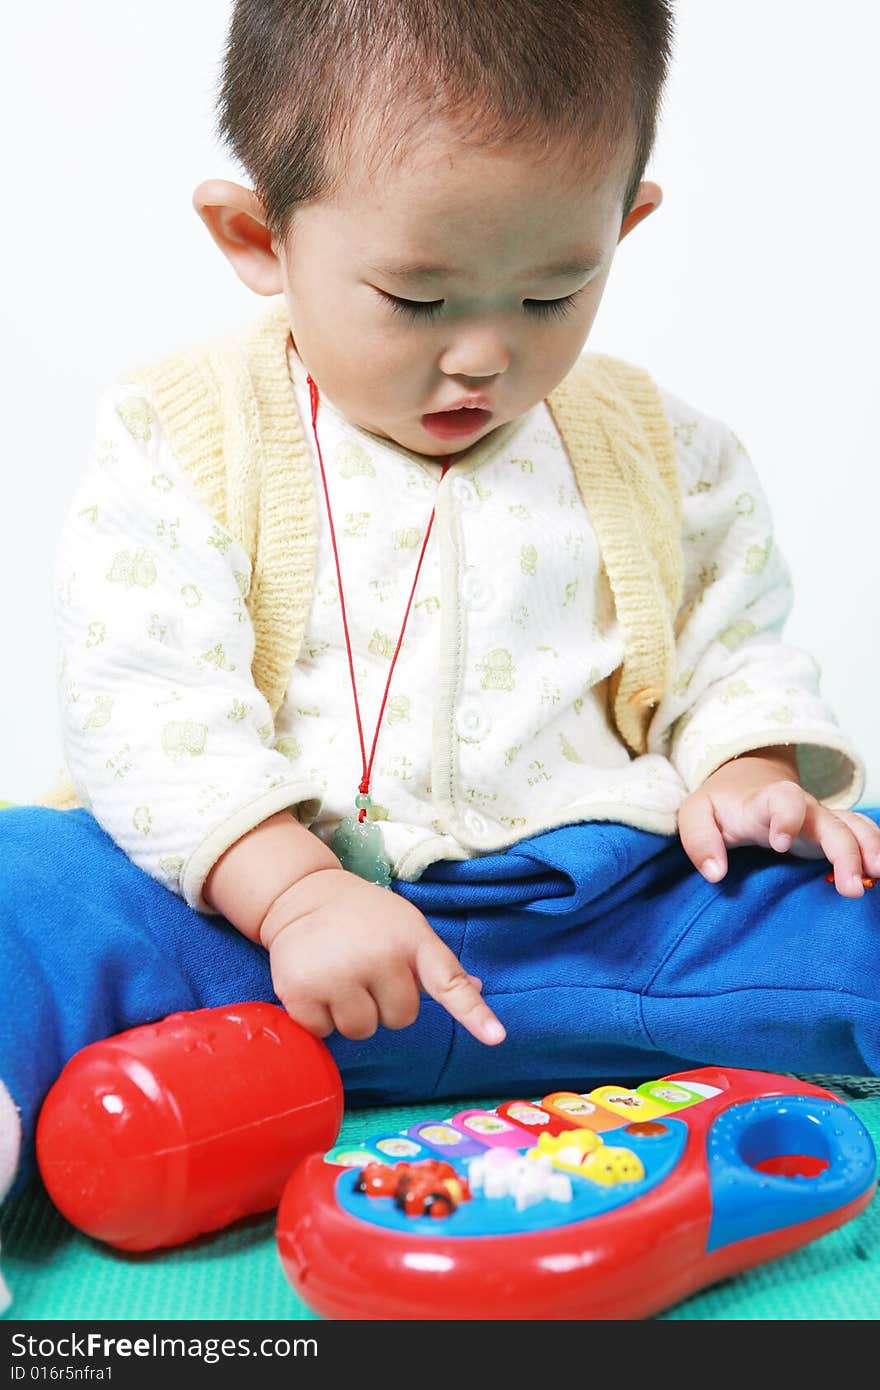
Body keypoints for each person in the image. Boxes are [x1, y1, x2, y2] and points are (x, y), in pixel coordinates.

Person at [1, 0, 878, 1311]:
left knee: (856, 890)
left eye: (551, 290)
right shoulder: (182, 434)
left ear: (623, 227)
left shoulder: (664, 447)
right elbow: (148, 699)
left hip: (590, 915)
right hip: (249, 934)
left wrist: (746, 764)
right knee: (27, 893)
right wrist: (294, 892)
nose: (484, 351)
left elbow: (722, 640)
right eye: (417, 298)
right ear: (259, 239)